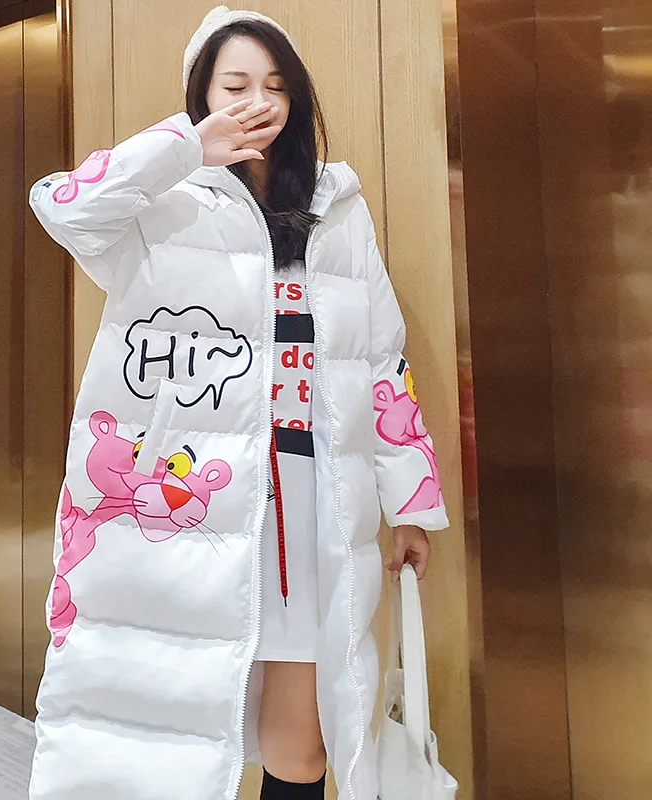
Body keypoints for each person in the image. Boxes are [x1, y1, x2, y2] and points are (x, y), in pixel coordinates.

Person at [27, 6, 448, 800]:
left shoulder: (336, 206)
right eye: (235, 85)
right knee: (168, 735)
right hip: (187, 511)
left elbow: (380, 360)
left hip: (308, 510)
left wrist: (411, 505)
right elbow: (63, 206)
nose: (258, 102)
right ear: (202, 95)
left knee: (303, 747)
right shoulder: (159, 201)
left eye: (276, 85)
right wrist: (186, 146)